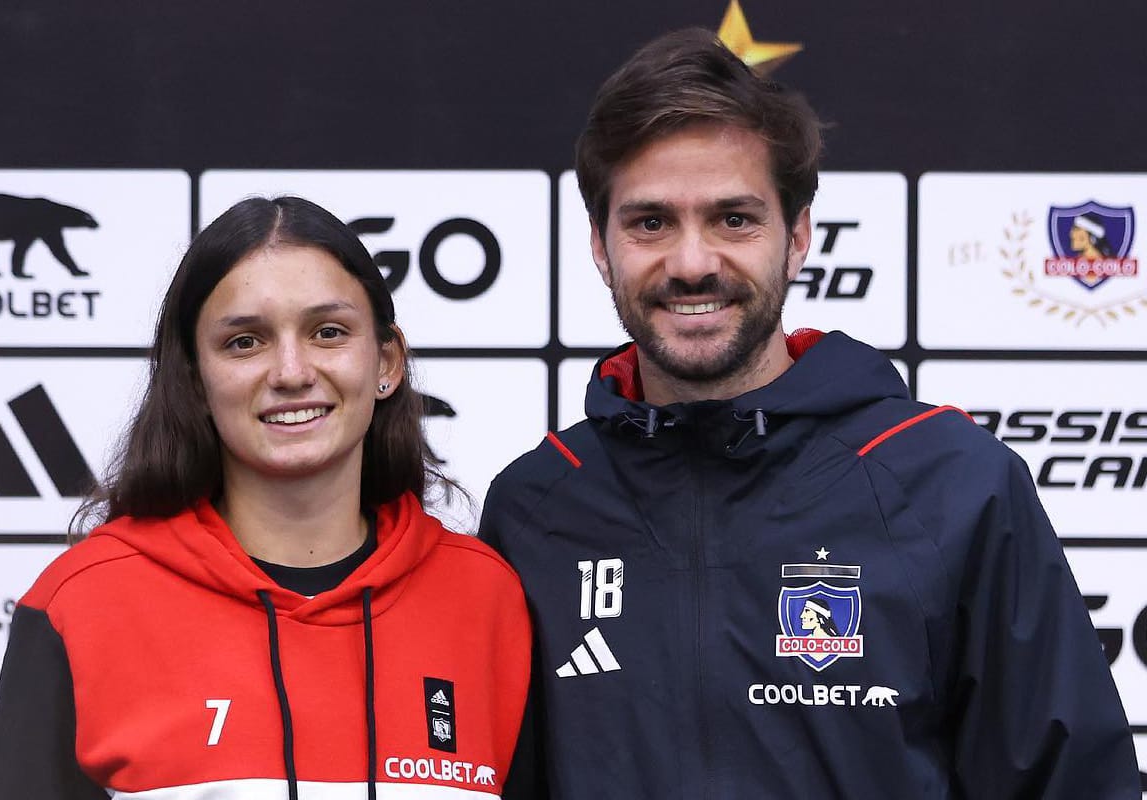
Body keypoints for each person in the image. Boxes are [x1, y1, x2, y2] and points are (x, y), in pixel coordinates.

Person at [479, 28, 1139, 799]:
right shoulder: (536, 507)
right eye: (650, 222)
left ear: (797, 239)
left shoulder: (953, 484)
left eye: (734, 219)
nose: (692, 262)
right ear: (600, 245)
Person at [0, 196, 531, 799]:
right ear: (193, 375)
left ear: (387, 361)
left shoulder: (487, 597)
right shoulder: (81, 602)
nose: (291, 371)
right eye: (245, 342)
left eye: (328, 332)